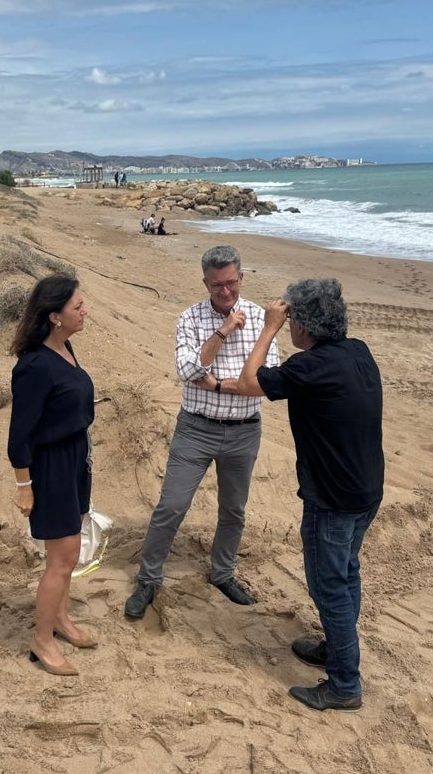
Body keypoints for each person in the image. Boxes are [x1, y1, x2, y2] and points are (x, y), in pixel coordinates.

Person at [234, 278, 385, 712]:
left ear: (303, 324)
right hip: (365, 490)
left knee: (329, 587)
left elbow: (249, 381)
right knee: (346, 573)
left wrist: (268, 329)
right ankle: (337, 652)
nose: (288, 326)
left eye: (292, 319)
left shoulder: (309, 368)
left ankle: (344, 685)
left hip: (333, 498)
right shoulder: (357, 351)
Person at [124, 245, 279, 620]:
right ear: (205, 283)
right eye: (216, 287)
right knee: (171, 506)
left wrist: (219, 384)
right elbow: (188, 369)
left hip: (244, 430)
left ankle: (223, 573)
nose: (225, 293)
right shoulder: (190, 318)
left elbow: (268, 379)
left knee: (233, 510)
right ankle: (148, 579)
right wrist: (224, 331)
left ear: (241, 278)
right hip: (196, 428)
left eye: (230, 284)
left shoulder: (262, 318)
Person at [7, 275, 98, 676]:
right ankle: (42, 641)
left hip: (75, 459)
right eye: (77, 307)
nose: (84, 312)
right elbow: (19, 434)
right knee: (62, 560)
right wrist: (24, 486)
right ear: (53, 316)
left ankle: (60, 621)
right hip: (51, 467)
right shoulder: (34, 366)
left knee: (67, 553)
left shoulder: (64, 348)